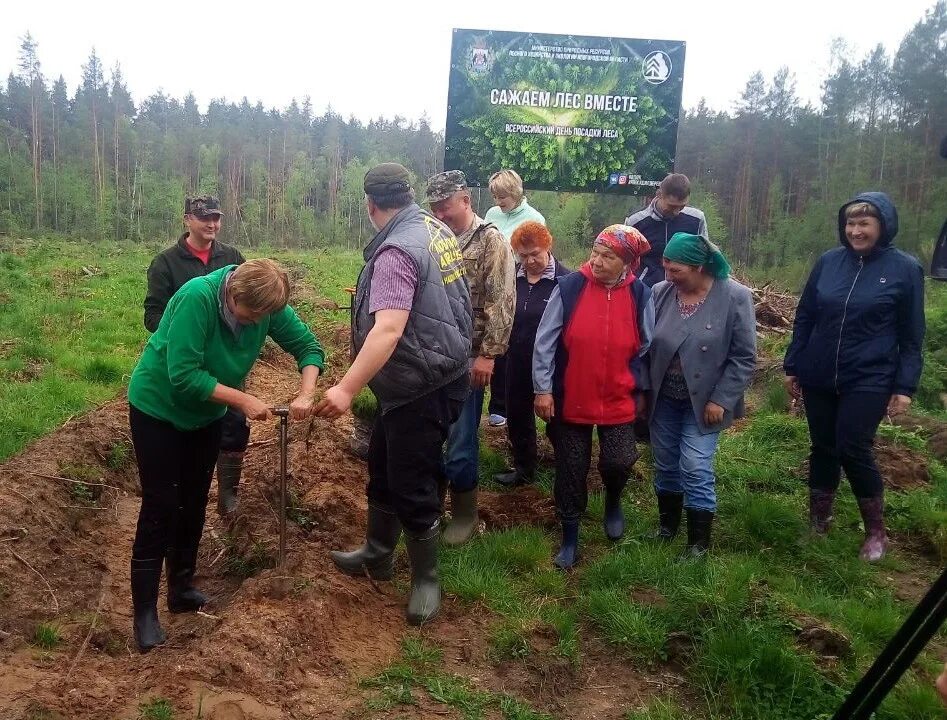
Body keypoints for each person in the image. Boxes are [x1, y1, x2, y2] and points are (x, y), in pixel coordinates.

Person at [127, 259, 325, 652]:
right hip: (158, 410)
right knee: (160, 505)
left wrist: (306, 392)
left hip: (205, 416)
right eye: (251, 317)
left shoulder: (267, 304)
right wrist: (242, 399)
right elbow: (182, 374)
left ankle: (181, 588)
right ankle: (144, 613)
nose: (256, 325)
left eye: (263, 318)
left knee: (194, 501)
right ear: (233, 295)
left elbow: (308, 346)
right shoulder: (195, 298)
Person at [316, 163, 471, 625]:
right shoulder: (434, 226)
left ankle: (427, 579)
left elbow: (387, 330)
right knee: (382, 461)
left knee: (412, 479)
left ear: (370, 205)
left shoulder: (396, 252)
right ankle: (377, 552)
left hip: (422, 383)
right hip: (428, 372)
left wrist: (346, 388)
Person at [784, 192, 925, 562]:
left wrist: (905, 386)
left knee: (852, 446)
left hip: (870, 375)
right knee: (823, 447)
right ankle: (818, 521)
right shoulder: (830, 262)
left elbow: (912, 335)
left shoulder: (904, 269)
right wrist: (793, 364)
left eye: (864, 223)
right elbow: (806, 316)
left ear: (883, 226)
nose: (856, 231)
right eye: (851, 223)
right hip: (819, 372)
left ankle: (876, 533)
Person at [533, 225, 654, 569]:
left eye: (608, 256)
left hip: (618, 395)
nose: (597, 262)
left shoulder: (640, 294)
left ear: (627, 262)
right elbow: (545, 341)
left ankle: (613, 498)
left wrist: (637, 385)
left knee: (619, 460)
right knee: (571, 468)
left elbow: (646, 345)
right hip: (572, 395)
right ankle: (570, 536)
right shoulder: (570, 288)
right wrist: (542, 389)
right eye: (595, 253)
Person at [647, 233, 756, 556]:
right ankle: (667, 527)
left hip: (705, 402)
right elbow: (646, 347)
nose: (669, 276)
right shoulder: (661, 293)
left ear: (699, 267)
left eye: (676, 270)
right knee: (665, 463)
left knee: (694, 464)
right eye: (665, 267)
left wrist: (721, 399)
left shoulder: (734, 297)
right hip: (664, 397)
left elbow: (744, 356)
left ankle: (698, 544)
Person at [143, 195, 249, 518]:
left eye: (216, 218)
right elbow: (152, 316)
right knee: (187, 430)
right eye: (205, 218)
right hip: (184, 364)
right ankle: (180, 494)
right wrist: (186, 335)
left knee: (233, 422)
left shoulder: (232, 257)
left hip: (226, 364)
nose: (212, 224)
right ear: (187, 219)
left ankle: (228, 494)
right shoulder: (166, 264)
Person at [426, 170, 515, 546]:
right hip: (432, 356)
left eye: (446, 207)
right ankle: (431, 506)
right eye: (435, 209)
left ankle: (464, 513)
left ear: (466, 200)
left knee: (462, 439)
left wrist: (489, 356)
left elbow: (502, 301)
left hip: (469, 357)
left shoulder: (491, 240)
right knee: (432, 435)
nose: (441, 215)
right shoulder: (431, 238)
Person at [493, 221, 569, 488]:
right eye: (523, 256)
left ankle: (567, 467)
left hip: (553, 364)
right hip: (516, 358)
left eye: (534, 253)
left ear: (548, 245)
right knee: (517, 415)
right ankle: (524, 468)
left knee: (556, 418)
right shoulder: (513, 278)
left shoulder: (565, 281)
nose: (529, 261)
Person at [483, 169, 547, 428]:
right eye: (495, 196)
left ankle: (513, 405)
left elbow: (536, 256)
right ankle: (497, 405)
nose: (499, 201)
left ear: (516, 192)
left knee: (515, 343)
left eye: (502, 196)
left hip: (521, 285)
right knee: (495, 342)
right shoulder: (491, 215)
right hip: (493, 285)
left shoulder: (534, 218)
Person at [624, 173, 708, 288]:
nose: (676, 212)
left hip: (684, 290)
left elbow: (704, 255)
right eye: (672, 206)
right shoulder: (635, 222)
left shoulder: (697, 219)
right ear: (659, 195)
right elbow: (625, 262)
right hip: (646, 291)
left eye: (682, 206)